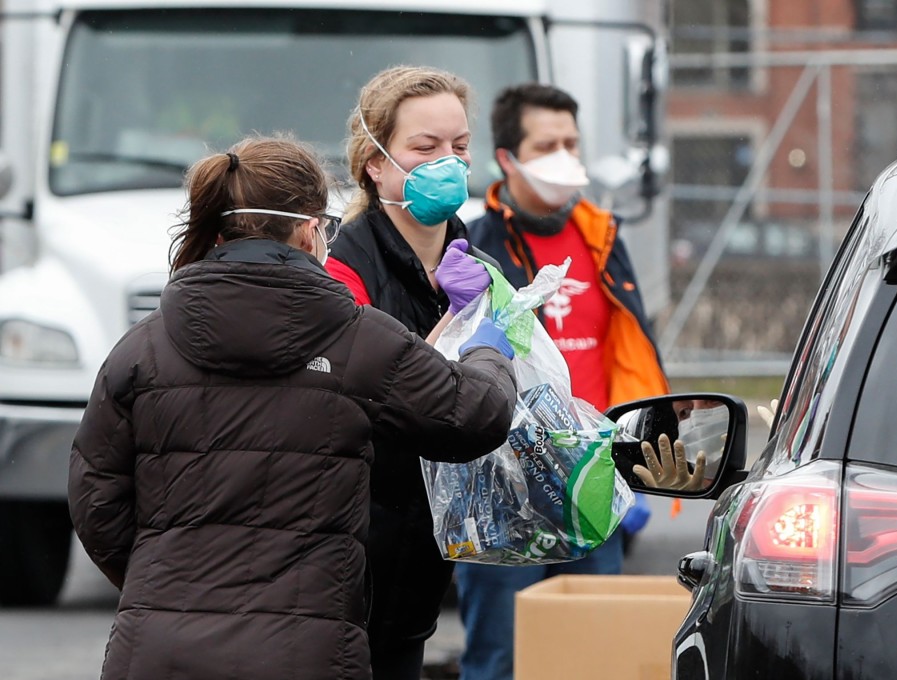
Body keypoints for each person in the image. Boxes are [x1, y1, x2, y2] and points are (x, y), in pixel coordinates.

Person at [67, 136, 518, 680]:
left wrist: (162, 585)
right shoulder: (358, 338)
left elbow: (96, 500)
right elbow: (476, 414)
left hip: (158, 650)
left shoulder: (141, 347)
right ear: (309, 228)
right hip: (307, 651)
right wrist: (488, 345)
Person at [458, 82, 671, 680]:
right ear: (508, 158)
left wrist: (639, 451)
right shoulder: (474, 247)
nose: (564, 155)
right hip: (504, 489)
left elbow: (627, 349)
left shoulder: (602, 237)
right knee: (501, 657)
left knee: (591, 658)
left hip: (591, 482)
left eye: (571, 142)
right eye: (547, 143)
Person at [324, 66, 496, 680]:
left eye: (459, 147)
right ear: (374, 162)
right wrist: (455, 325)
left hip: (422, 553)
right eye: (424, 148)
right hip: (350, 553)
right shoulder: (344, 267)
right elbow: (375, 394)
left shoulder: (471, 258)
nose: (446, 162)